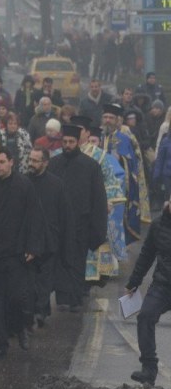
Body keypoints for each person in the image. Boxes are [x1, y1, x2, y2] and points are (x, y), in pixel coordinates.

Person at [0, 149, 44, 358]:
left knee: (17, 298)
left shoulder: (23, 185)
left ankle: (21, 328)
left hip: (17, 253)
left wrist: (32, 246)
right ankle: (1, 344)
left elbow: (35, 217)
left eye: (1, 162)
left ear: (11, 162)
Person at [48, 124, 108, 312]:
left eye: (71, 142)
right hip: (57, 225)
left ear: (77, 142)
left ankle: (75, 298)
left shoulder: (91, 166)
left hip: (80, 225)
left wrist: (97, 229)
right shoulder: (54, 163)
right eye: (65, 142)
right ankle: (63, 297)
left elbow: (98, 199)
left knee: (76, 262)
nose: (67, 145)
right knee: (59, 262)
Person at [124, 199, 171, 387]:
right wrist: (133, 282)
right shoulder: (158, 224)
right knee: (145, 317)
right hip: (163, 284)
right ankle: (148, 369)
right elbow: (147, 254)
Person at [27, 147, 72, 326]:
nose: (31, 164)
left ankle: (40, 310)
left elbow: (64, 215)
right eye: (30, 160)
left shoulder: (56, 185)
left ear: (45, 162)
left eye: (35, 161)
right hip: (29, 240)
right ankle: (39, 309)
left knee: (45, 279)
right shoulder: (24, 182)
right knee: (31, 280)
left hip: (49, 240)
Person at [82, 123, 127, 284]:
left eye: (95, 141)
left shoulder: (103, 157)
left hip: (100, 204)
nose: (92, 143)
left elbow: (116, 178)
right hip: (83, 205)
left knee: (103, 236)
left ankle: (105, 271)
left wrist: (106, 201)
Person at [101, 103, 150, 244]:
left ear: (117, 120)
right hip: (98, 183)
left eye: (111, 117)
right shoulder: (97, 136)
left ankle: (117, 245)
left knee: (116, 218)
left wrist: (120, 159)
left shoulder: (125, 138)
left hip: (118, 186)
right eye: (105, 117)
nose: (108, 120)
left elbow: (133, 162)